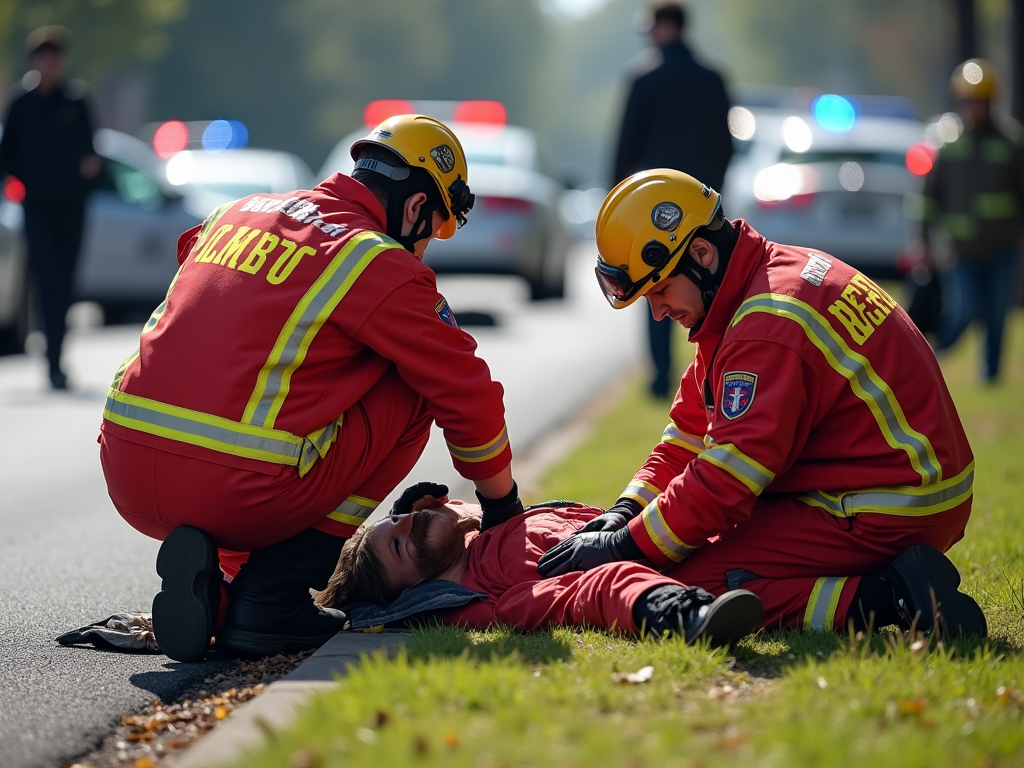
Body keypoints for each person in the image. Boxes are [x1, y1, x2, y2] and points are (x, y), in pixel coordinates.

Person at [99, 115, 526, 662]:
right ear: (417, 208)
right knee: (415, 379)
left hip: (124, 471)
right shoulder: (375, 259)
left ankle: (230, 597)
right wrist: (502, 505)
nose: (423, 249)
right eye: (431, 231)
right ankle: (271, 595)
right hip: (232, 489)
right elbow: (465, 387)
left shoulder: (236, 212)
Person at [536, 169, 987, 639]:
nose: (657, 311)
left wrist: (626, 549)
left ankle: (894, 595)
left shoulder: (764, 324)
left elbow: (727, 480)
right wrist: (626, 511)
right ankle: (890, 586)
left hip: (889, 508)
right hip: (897, 488)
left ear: (701, 253)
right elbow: (687, 435)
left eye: (660, 290)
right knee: (678, 542)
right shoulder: (755, 285)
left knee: (688, 579)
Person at [317, 488, 765, 646]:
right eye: (400, 545)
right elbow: (586, 594)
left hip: (702, 529)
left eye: (397, 518)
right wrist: (673, 607)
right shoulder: (485, 597)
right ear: (415, 591)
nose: (409, 523)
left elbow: (471, 511)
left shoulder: (474, 539)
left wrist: (439, 517)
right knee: (819, 597)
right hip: (716, 575)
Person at [612, 1, 733, 398]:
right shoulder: (714, 78)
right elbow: (727, 145)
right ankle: (718, 369)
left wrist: (615, 203)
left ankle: (663, 377)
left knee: (656, 289)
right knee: (713, 285)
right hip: (702, 210)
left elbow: (625, 147)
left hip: (652, 214)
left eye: (651, 29)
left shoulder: (643, 78)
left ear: (665, 27)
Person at [0, 26, 101, 389]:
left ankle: (57, 356)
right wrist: (22, 183)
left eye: (56, 57)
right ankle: (52, 363)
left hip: (72, 210)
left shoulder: (76, 102)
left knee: (66, 287)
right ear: (34, 61)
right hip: (37, 209)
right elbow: (6, 155)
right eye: (43, 57)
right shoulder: (21, 104)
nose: (50, 64)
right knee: (48, 281)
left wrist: (88, 172)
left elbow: (93, 154)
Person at [925, 59, 1024, 384]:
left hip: (1001, 247)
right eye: (968, 99)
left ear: (991, 101)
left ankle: (991, 376)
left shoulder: (1011, 144)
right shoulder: (949, 145)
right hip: (962, 250)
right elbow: (929, 199)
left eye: (980, 100)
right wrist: (924, 241)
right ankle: (932, 357)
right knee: (965, 308)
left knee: (997, 314)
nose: (974, 107)